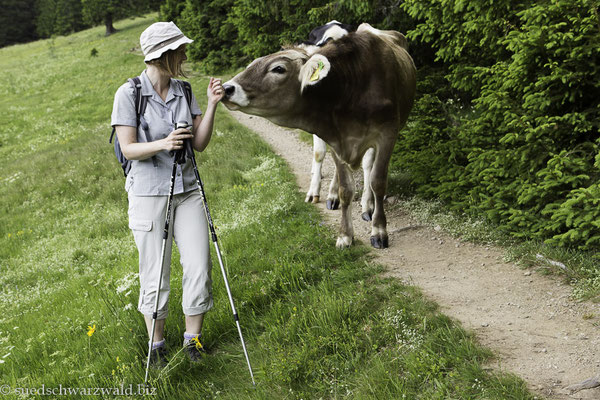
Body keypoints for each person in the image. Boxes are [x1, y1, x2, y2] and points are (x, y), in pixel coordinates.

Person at [110, 21, 224, 367]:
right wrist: (164, 143)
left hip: (188, 190)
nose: (186, 54)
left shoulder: (185, 91)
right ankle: (156, 346)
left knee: (199, 267)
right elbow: (128, 149)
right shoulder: (128, 93)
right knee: (155, 273)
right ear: (164, 55)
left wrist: (212, 103)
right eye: (181, 49)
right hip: (147, 195)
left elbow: (200, 144)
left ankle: (194, 341)